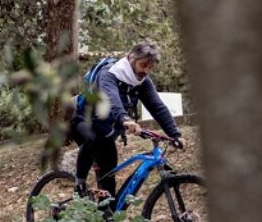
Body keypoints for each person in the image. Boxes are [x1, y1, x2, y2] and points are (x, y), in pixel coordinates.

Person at [70, 42, 185, 202]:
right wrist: (125, 119)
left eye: (150, 67)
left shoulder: (143, 82)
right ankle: (79, 183)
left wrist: (175, 134)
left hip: (107, 129)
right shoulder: (109, 73)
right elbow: (111, 99)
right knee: (92, 141)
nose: (145, 71)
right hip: (83, 119)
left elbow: (157, 107)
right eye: (143, 65)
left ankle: (106, 220)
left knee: (108, 174)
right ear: (131, 58)